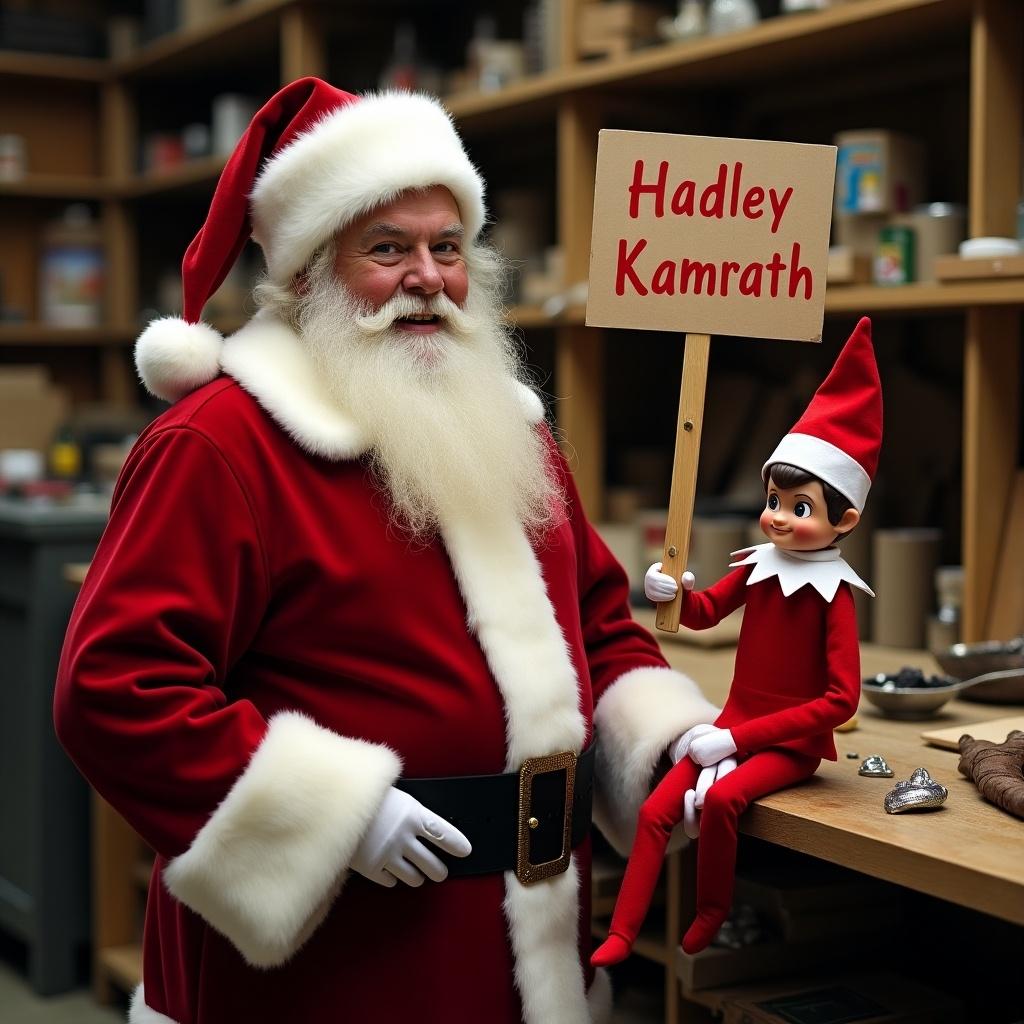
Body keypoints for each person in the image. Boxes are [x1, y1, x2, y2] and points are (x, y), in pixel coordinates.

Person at [53, 78, 720, 1024]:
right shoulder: (220, 445)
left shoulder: (511, 433)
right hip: (336, 956)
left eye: (447, 248)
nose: (427, 276)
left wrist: (666, 748)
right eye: (387, 249)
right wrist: (332, 815)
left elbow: (601, 634)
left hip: (525, 945)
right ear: (308, 271)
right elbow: (116, 688)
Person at [591, 316, 881, 965]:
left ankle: (713, 908)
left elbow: (840, 702)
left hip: (786, 743)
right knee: (658, 808)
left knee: (721, 800)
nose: (777, 514)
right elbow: (707, 613)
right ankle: (622, 932)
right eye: (774, 498)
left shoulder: (833, 596)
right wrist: (674, 595)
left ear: (846, 519)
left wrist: (739, 740)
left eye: (799, 507)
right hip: (731, 724)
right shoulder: (759, 565)